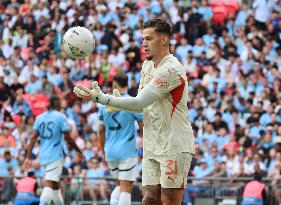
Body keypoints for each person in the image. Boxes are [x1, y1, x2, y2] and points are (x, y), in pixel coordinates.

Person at [73, 18, 194, 205]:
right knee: (149, 199)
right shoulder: (147, 66)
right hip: (152, 144)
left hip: (174, 145)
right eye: (143, 39)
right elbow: (141, 102)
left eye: (149, 38)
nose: (143, 44)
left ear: (163, 40)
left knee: (168, 202)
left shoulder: (171, 69)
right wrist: (118, 103)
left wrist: (102, 98)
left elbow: (139, 102)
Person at [24, 95, 85, 205]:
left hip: (43, 155)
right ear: (55, 103)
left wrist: (28, 157)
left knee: (56, 186)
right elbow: (68, 137)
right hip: (55, 156)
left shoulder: (39, 118)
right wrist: (79, 151)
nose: (61, 103)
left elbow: (33, 138)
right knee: (49, 185)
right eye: (59, 101)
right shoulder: (60, 117)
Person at [98, 72, 143, 205]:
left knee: (119, 186)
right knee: (125, 190)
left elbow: (100, 130)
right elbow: (143, 126)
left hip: (110, 151)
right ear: (127, 84)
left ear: (115, 84)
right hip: (127, 151)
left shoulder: (104, 104)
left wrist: (102, 150)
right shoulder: (132, 102)